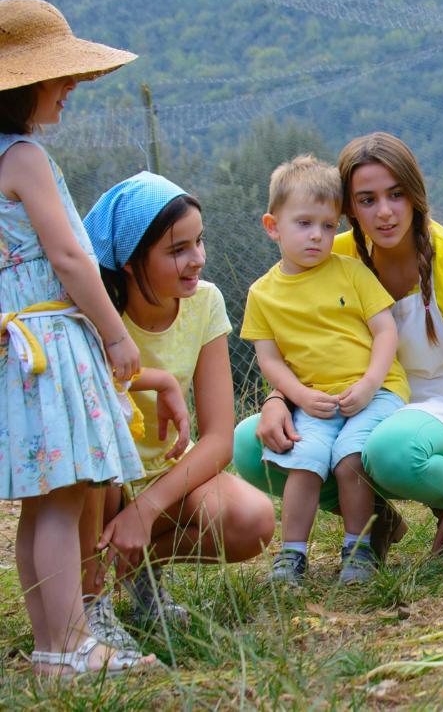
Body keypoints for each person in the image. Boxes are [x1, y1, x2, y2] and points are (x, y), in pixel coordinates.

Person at [234, 132, 443, 570]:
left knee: (392, 451)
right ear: (348, 209)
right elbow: (287, 332)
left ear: (415, 194)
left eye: (396, 194)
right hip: (355, 401)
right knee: (252, 443)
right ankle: (376, 521)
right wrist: (278, 399)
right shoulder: (332, 253)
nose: (385, 212)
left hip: (440, 409)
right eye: (367, 200)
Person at [0, 0, 157, 674]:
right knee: (63, 501)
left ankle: (50, 644)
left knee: (42, 505)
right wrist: (117, 335)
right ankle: (70, 644)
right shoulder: (27, 160)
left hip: (18, 350)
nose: (69, 89)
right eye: (60, 77)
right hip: (51, 346)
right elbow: (69, 258)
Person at [79, 171, 275, 650]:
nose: (198, 260)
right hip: (99, 481)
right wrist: (158, 379)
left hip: (159, 476)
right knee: (96, 470)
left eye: (199, 242)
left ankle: (137, 570)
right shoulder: (95, 312)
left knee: (253, 521)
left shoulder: (204, 302)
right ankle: (89, 603)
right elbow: (88, 398)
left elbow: (218, 439)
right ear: (129, 260)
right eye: (177, 250)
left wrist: (144, 511)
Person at [240, 155, 410, 585]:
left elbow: (385, 331)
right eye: (304, 224)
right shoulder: (262, 294)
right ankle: (292, 555)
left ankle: (360, 550)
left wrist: (371, 384)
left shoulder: (351, 273)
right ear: (272, 226)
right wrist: (296, 396)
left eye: (329, 225)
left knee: (350, 456)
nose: (318, 236)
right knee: (305, 459)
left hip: (375, 393)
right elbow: (270, 358)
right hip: (314, 400)